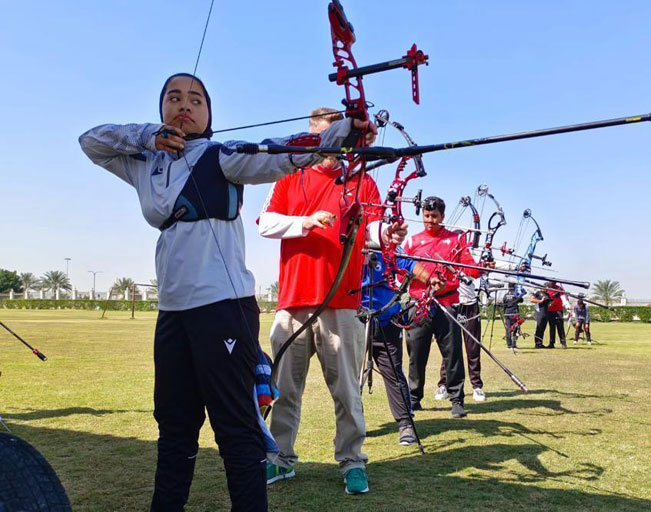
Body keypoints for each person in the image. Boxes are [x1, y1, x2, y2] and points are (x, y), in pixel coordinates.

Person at [78, 74, 367, 511]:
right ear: (161, 111)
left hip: (223, 308)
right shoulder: (144, 163)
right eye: (174, 98)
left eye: (196, 100)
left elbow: (281, 152)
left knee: (234, 427)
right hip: (172, 312)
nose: (184, 106)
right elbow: (91, 141)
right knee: (174, 426)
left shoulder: (224, 157)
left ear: (209, 114)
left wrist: (344, 131)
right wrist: (147, 136)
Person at [258, 107, 400, 495]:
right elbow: (265, 223)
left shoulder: (361, 182)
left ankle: (353, 461)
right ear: (311, 137)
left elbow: (371, 230)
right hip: (293, 301)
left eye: (338, 134)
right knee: (285, 388)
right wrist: (302, 222)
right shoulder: (290, 176)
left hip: (342, 301)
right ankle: (280, 458)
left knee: (347, 391)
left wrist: (389, 232)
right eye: (324, 134)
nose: (332, 142)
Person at [402, 196, 481, 418]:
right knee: (416, 354)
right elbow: (402, 269)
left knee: (453, 353)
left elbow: (470, 268)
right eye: (427, 216)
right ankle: (414, 398)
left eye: (434, 216)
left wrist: (482, 266)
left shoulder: (456, 240)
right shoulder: (412, 241)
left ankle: (457, 400)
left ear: (442, 216)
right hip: (419, 303)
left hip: (446, 303)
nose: (430, 220)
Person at [359, 250, 439, 445]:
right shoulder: (351, 243)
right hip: (355, 321)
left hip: (388, 321)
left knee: (394, 374)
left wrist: (430, 278)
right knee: (350, 376)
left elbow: (411, 265)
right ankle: (352, 426)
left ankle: (405, 424)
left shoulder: (389, 248)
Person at [436, 269, 485, 402]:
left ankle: (476, 387)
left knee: (473, 348)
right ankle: (444, 385)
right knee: (449, 347)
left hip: (470, 305)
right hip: (453, 304)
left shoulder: (473, 253)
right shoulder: (449, 253)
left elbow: (485, 267)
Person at [501, 283, 524, 349]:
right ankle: (514, 344)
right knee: (516, 329)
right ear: (514, 287)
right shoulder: (516, 294)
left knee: (508, 329)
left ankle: (509, 344)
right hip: (514, 313)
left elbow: (504, 305)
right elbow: (521, 300)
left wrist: (504, 314)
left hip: (507, 313)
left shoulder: (505, 295)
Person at [546, 282, 568, 349]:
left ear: (554, 283)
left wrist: (567, 306)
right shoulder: (547, 289)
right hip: (550, 311)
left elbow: (563, 298)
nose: (550, 284)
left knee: (560, 327)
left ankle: (563, 343)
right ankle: (551, 343)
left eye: (552, 283)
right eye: (550, 283)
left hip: (558, 310)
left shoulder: (559, 288)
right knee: (552, 327)